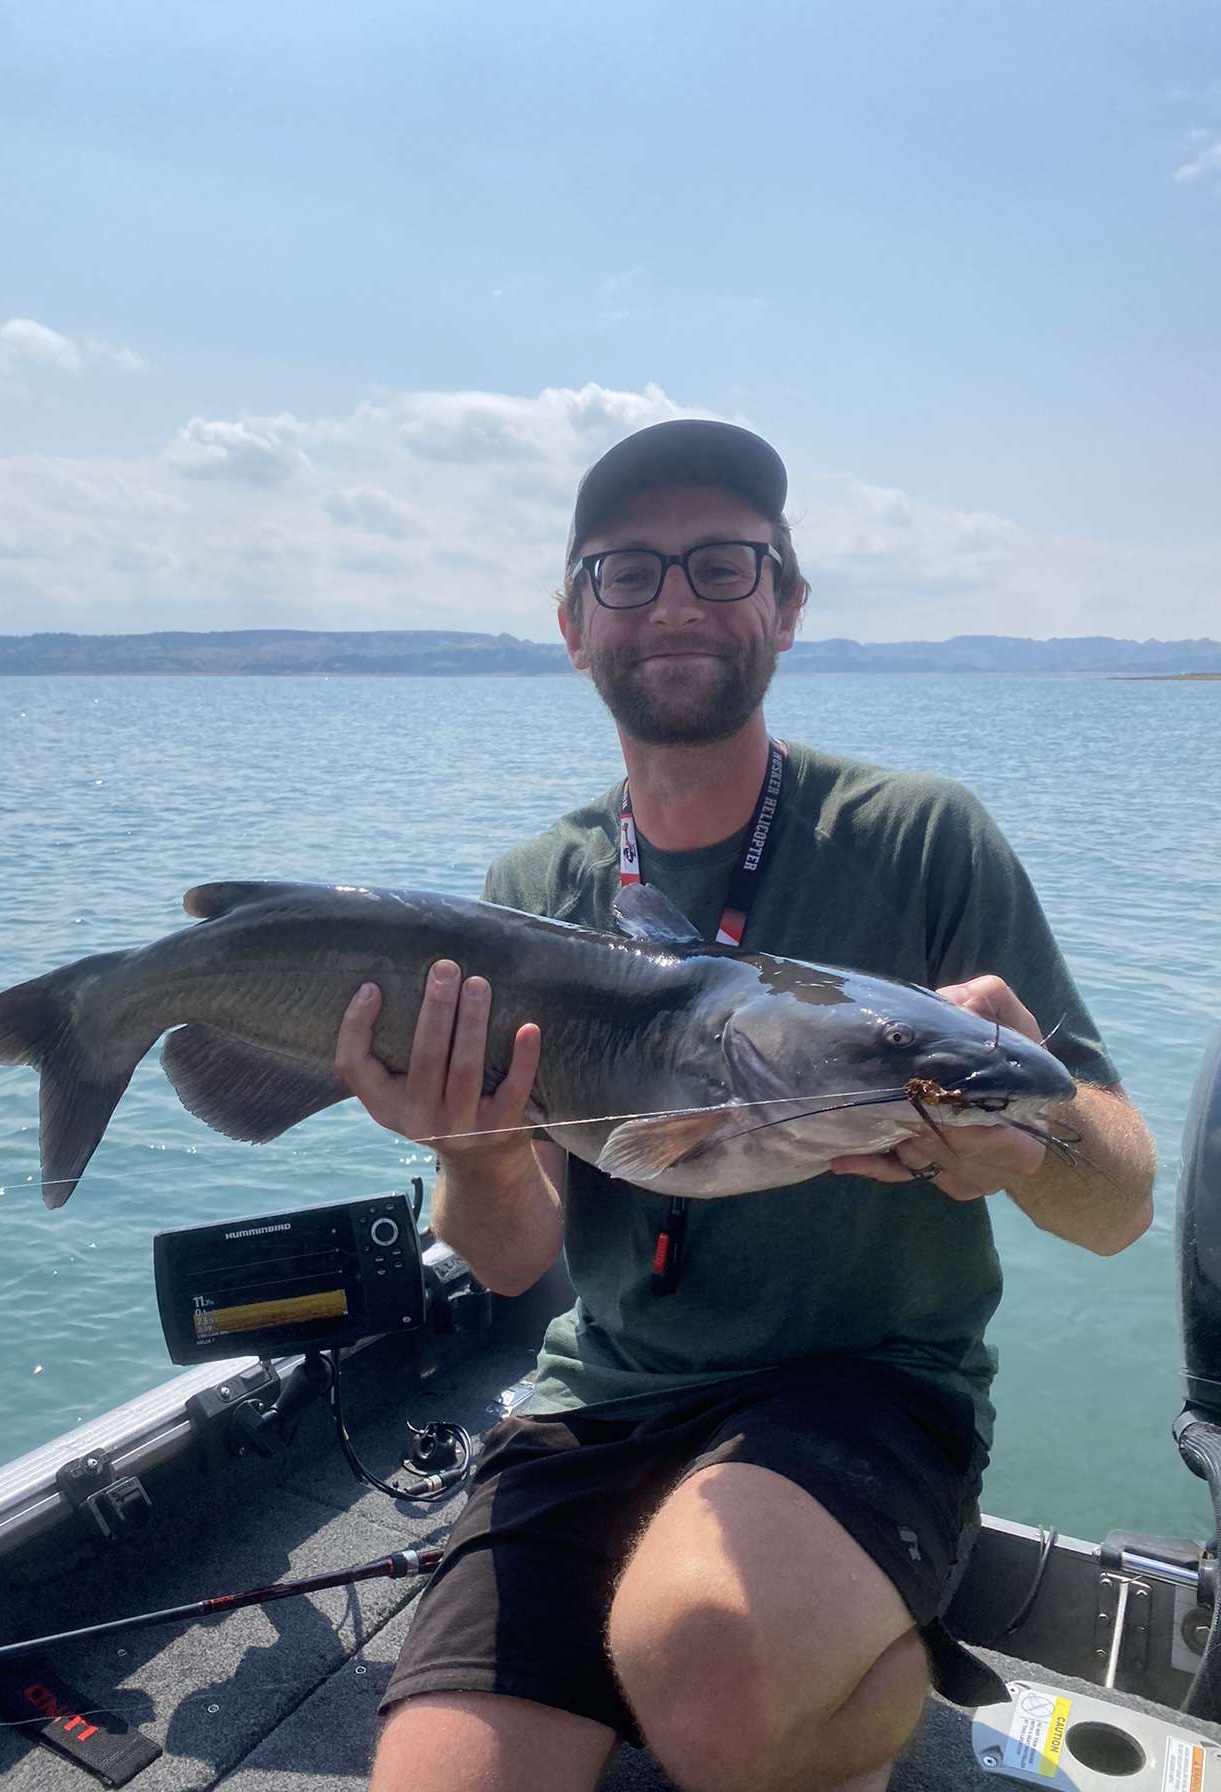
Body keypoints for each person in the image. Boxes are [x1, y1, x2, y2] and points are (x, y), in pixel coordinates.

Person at [335, 420, 1156, 1792]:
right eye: (626, 571)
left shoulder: (921, 837)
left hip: (869, 1388)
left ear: (787, 602)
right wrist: (468, 1149)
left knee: (707, 1657)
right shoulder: (534, 887)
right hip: (600, 1398)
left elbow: (1122, 1202)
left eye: (724, 563)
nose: (675, 601)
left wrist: (1022, 1148)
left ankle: (876, 1693)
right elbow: (512, 1257)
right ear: (570, 623)